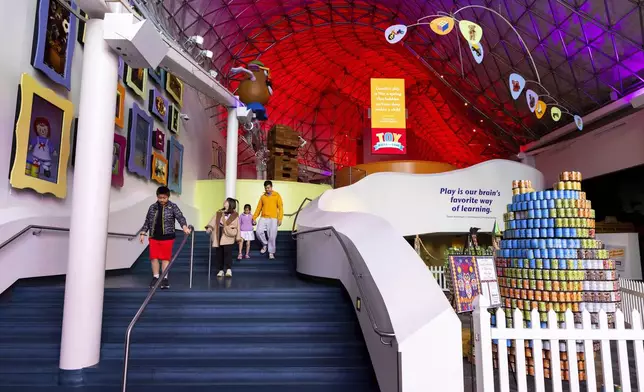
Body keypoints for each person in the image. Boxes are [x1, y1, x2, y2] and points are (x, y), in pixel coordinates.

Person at [139, 186, 191, 289]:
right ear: (157, 197)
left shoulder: (173, 207)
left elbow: (180, 217)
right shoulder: (152, 207)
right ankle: (155, 277)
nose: (162, 200)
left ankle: (164, 278)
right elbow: (147, 221)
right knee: (154, 257)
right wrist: (143, 233)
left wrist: (184, 227)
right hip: (154, 237)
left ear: (168, 197)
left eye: (164, 198)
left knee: (165, 258)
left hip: (167, 237)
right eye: (160, 197)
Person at [206, 198, 241, 277]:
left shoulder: (235, 215)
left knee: (228, 253)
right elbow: (213, 221)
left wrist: (238, 238)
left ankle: (228, 269)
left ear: (230, 204)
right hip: (219, 234)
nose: (224, 202)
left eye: (226, 201)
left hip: (228, 235)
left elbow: (238, 226)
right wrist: (210, 228)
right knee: (219, 254)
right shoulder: (219, 213)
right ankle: (220, 270)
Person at [252, 180, 283, 259]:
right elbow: (258, 208)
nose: (267, 190)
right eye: (266, 188)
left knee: (272, 235)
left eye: (268, 188)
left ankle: (271, 252)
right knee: (258, 232)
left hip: (273, 218)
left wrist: (280, 218)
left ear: (271, 187)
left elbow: (280, 208)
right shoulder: (263, 197)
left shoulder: (277, 195)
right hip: (264, 217)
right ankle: (265, 244)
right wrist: (254, 217)